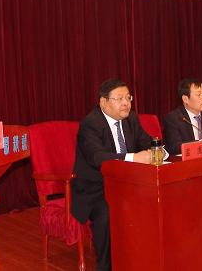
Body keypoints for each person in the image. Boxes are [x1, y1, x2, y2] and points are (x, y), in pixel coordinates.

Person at [71, 79, 152, 271]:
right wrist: (133, 157)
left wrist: (158, 151)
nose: (126, 103)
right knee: (107, 213)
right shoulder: (90, 124)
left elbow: (147, 142)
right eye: (119, 99)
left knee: (154, 201)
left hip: (127, 184)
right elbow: (97, 157)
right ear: (103, 102)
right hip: (96, 189)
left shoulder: (131, 119)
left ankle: (142, 259)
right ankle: (106, 266)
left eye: (128, 98)